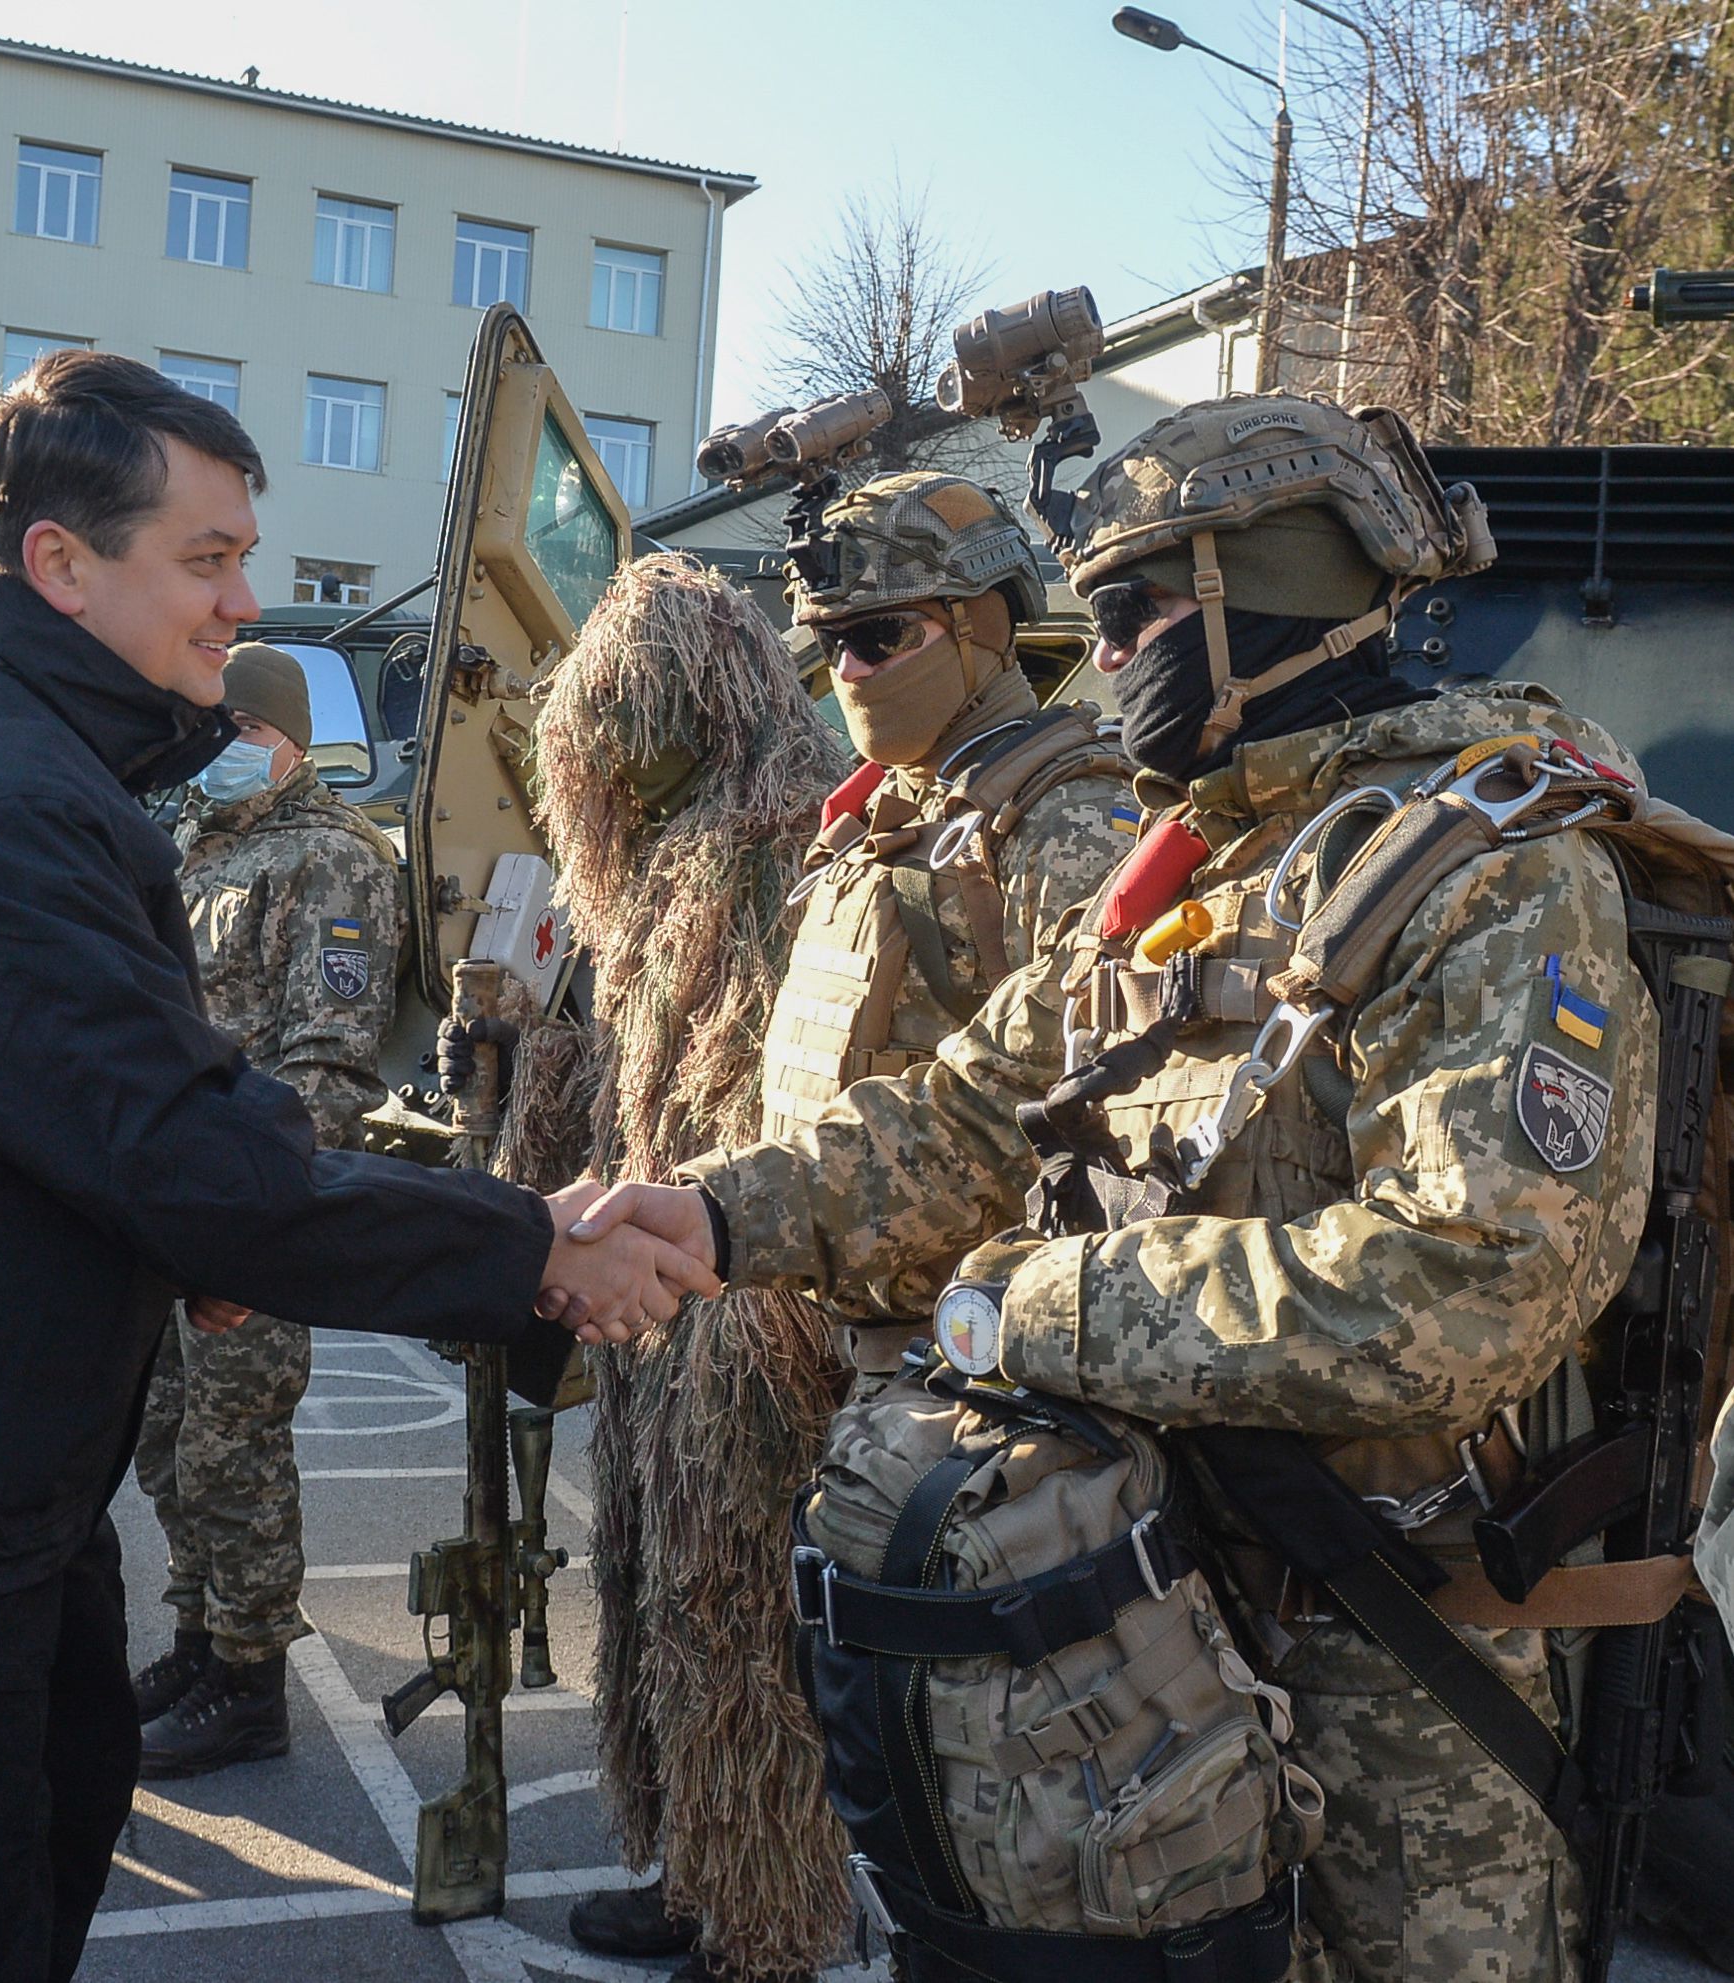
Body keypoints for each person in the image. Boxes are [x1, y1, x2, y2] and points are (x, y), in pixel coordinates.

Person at [567, 392, 1658, 1983]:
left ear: (1261, 588)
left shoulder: (1490, 871)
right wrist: (720, 1213)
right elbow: (963, 1114)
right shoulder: (1191, 868)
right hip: (1147, 1616)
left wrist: (1041, 1304)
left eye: (1138, 607)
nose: (1104, 652)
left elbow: (1466, 1283)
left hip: (1406, 1666)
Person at [0, 350, 709, 1983]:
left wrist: (213, 1235)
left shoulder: (18, 754)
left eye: (244, 552)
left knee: (54, 1830)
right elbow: (171, 1144)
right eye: (207, 557)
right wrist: (531, 1247)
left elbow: (88, 1118)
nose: (245, 599)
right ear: (60, 562)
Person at [519, 494, 1137, 1983]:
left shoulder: (1057, 812)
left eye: (879, 635)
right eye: (825, 645)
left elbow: (1052, 1097)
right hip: (756, 1267)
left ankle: (766, 1920)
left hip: (922, 1325)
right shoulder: (869, 817)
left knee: (766, 1623)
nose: (847, 670)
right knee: (673, 1591)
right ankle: (703, 1872)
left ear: (986, 627)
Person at [130, 642, 401, 1777]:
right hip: (166, 1203)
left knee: (235, 1450)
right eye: (208, 730)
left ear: (286, 738)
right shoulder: (191, 845)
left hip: (243, 1215)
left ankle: (249, 1685)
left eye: (239, 730)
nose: (220, 751)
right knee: (165, 1447)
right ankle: (199, 1637)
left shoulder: (333, 859)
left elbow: (328, 1065)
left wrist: (259, 1231)